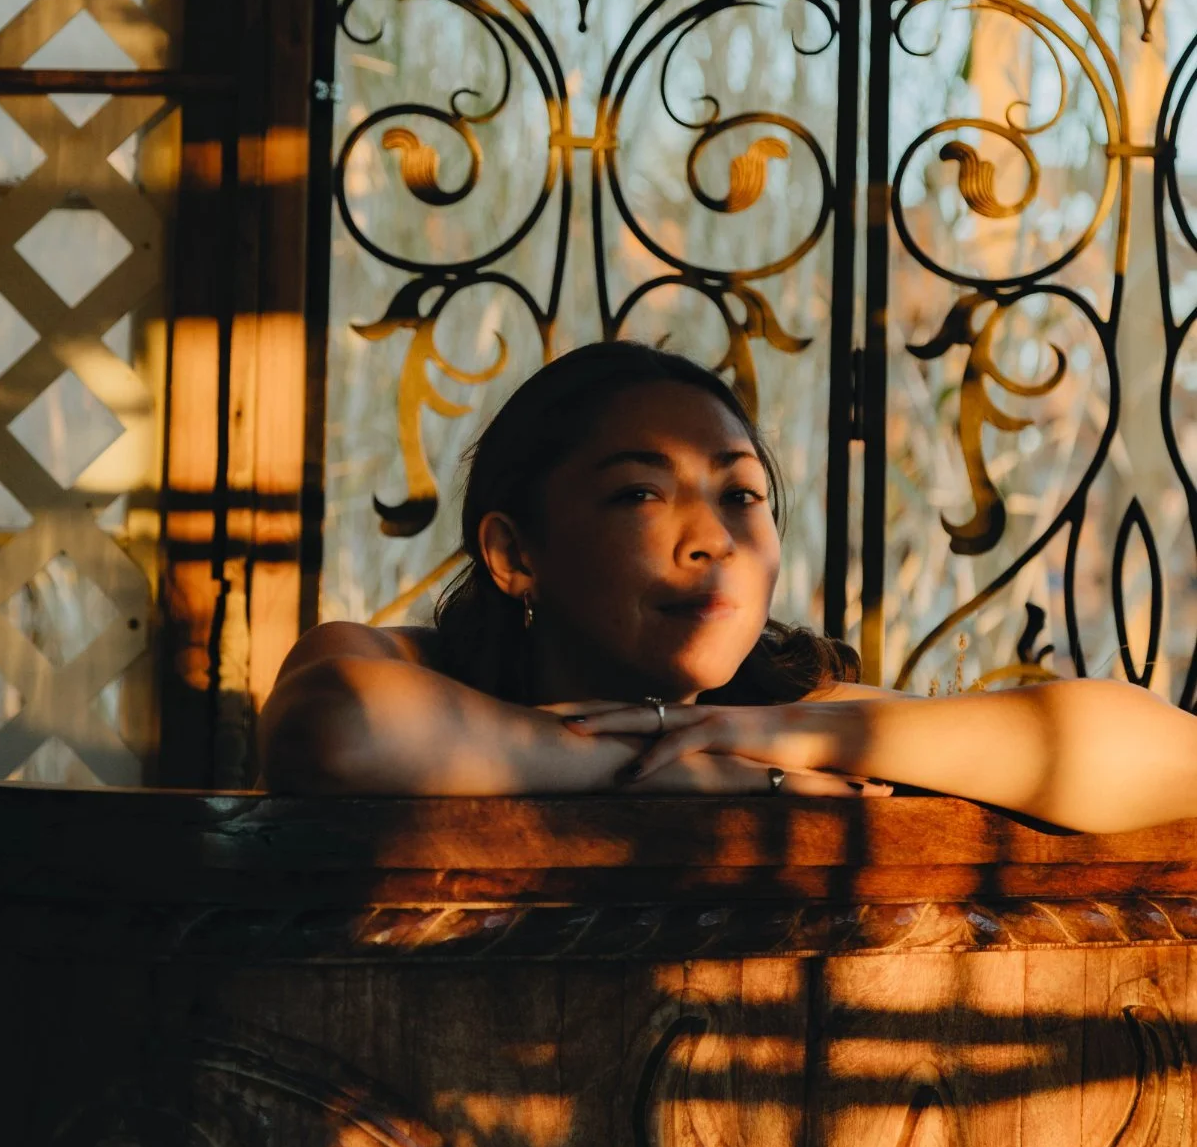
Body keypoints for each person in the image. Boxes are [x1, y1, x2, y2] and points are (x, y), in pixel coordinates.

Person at [258, 342, 1197, 831]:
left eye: (742, 493)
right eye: (639, 493)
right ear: (512, 554)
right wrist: (673, 769)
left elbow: (1170, 758)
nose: (714, 540)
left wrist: (752, 734)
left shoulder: (775, 715)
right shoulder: (409, 667)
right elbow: (338, 729)